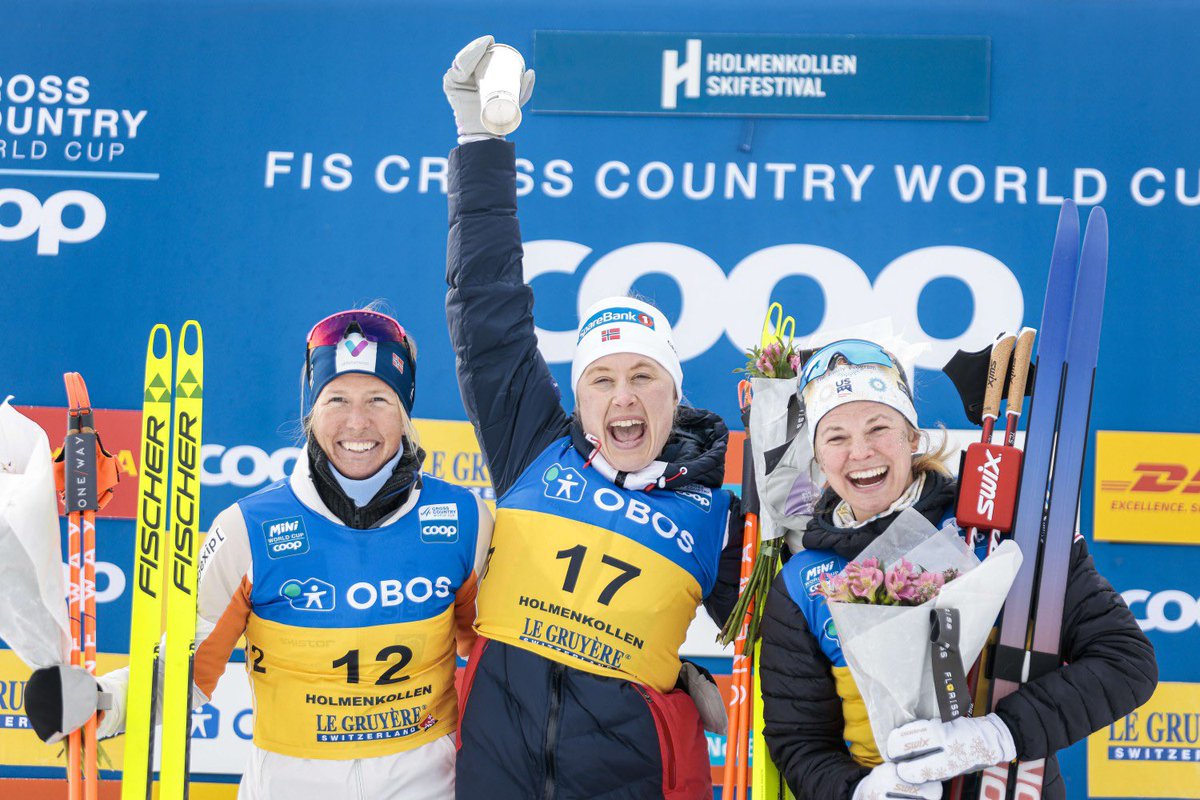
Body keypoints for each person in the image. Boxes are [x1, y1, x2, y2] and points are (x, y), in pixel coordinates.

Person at [25, 309, 493, 799]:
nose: (358, 422)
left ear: (405, 409)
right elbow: (185, 672)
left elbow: (501, 660)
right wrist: (100, 701)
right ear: (312, 410)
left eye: (379, 398)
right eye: (336, 399)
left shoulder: (464, 521)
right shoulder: (249, 530)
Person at [442, 36, 743, 799]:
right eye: (601, 380)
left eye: (645, 378)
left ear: (676, 397)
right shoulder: (533, 448)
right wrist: (482, 145)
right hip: (496, 774)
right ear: (578, 399)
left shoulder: (717, 511)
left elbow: (791, 640)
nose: (623, 398)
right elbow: (489, 314)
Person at [757, 338, 1158, 800]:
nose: (861, 452)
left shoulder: (1007, 528)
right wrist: (862, 791)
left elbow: (1125, 662)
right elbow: (800, 741)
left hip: (1008, 786)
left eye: (878, 427)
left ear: (912, 436)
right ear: (819, 457)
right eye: (836, 437)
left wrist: (997, 735)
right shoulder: (804, 581)